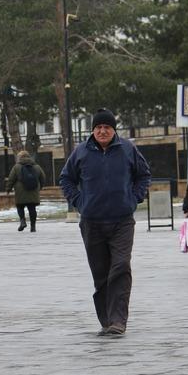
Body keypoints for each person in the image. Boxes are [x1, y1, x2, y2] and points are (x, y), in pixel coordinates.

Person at [59, 108, 151, 337]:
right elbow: (66, 178)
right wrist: (80, 202)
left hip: (122, 221)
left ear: (113, 130)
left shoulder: (128, 149)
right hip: (92, 222)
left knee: (120, 267)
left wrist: (134, 197)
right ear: (93, 130)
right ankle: (107, 320)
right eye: (98, 127)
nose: (102, 131)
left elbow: (144, 175)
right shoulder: (81, 152)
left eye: (107, 127)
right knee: (100, 274)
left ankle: (118, 321)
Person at [6, 150, 46, 232]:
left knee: (20, 206)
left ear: (19, 157)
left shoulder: (16, 167)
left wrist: (8, 189)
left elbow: (11, 179)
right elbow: (43, 178)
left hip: (20, 191)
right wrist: (40, 187)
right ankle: (33, 226)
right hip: (33, 190)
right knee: (32, 208)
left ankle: (23, 221)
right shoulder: (36, 166)